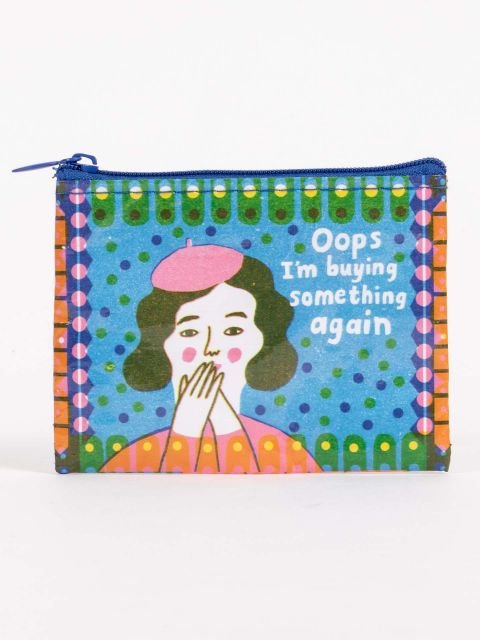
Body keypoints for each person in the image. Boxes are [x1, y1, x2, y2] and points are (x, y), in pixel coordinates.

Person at [100, 240, 322, 473]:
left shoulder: (285, 451)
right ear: (159, 344)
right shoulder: (133, 458)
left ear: (263, 340)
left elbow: (248, 487)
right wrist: (185, 429)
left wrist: (227, 425)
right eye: (190, 332)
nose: (211, 348)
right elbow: (166, 490)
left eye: (233, 330)